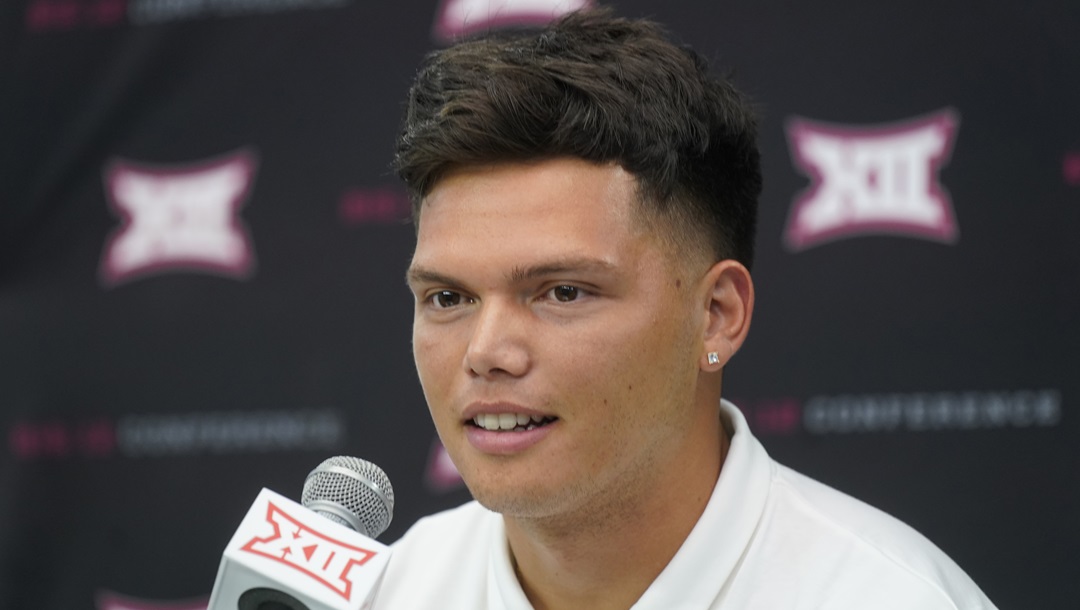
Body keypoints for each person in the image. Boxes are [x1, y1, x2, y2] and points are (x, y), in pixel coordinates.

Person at [374, 8, 997, 610]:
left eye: (563, 291)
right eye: (448, 298)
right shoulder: (384, 595)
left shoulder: (894, 600)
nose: (485, 352)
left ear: (718, 314)